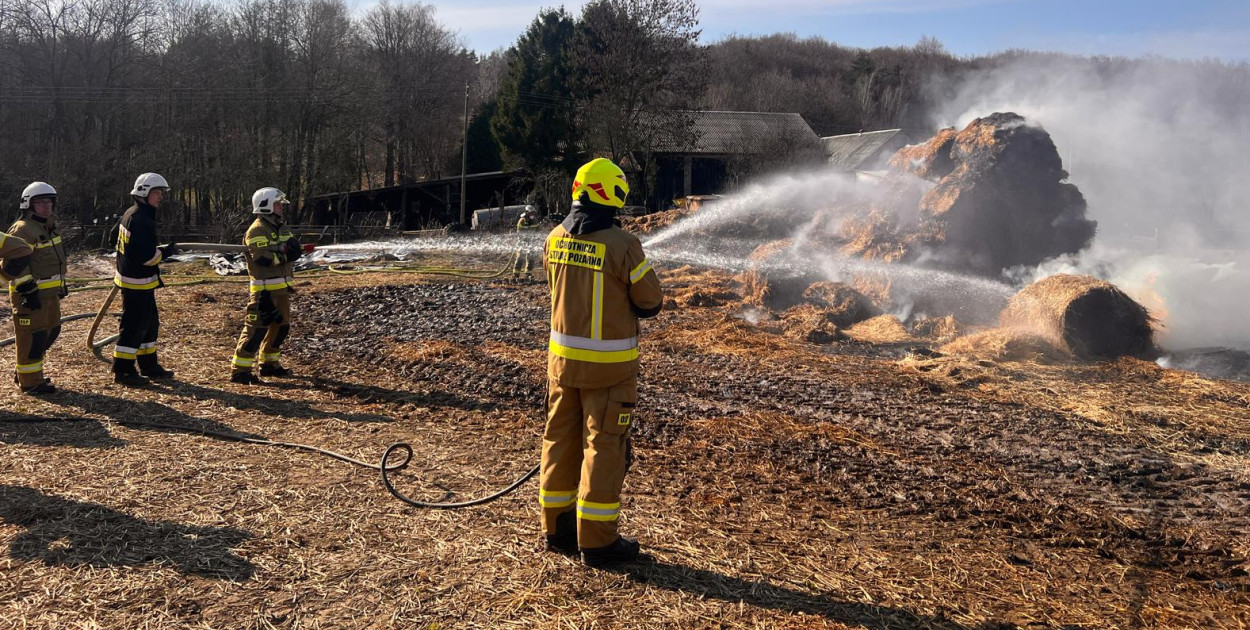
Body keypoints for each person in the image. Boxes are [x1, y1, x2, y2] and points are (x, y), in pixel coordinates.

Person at [539, 158, 663, 567]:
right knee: (603, 448)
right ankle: (596, 540)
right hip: (609, 373)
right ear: (614, 195)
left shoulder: (554, 238)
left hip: (561, 368)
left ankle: (556, 529)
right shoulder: (623, 245)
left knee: (559, 440)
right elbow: (650, 302)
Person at [229, 187, 308, 384]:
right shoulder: (257, 230)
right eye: (277, 204)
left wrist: (292, 250)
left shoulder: (281, 227)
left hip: (281, 289)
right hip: (263, 291)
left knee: (281, 328)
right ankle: (240, 370)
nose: (281, 207)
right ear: (265, 206)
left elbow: (293, 247)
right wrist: (285, 255)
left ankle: (269, 364)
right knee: (256, 330)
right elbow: (262, 258)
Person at [112, 173, 177, 387]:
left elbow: (115, 237)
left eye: (161, 193)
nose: (160, 197)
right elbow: (147, 257)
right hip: (136, 283)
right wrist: (165, 253)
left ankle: (149, 365)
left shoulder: (131, 214)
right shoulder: (141, 220)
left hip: (138, 281)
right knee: (133, 326)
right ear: (144, 193)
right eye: (157, 193)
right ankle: (123, 371)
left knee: (149, 325)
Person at [7, 183, 68, 395]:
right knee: (33, 337)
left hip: (50, 294)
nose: (46, 206)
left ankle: (25, 373)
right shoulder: (23, 229)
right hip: (30, 296)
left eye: (49, 201)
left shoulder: (50, 226)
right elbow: (16, 262)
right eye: (40, 202)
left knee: (52, 330)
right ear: (28, 205)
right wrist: (28, 289)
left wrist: (61, 284)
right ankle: (30, 382)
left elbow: (55, 260)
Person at [512, 207, 541, 279]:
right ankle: (516, 274)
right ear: (527, 213)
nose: (532, 215)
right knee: (520, 257)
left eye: (533, 213)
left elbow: (538, 231)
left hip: (532, 242)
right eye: (531, 213)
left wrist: (536, 238)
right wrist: (526, 240)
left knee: (531, 257)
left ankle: (528, 273)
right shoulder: (521, 221)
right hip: (522, 242)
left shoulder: (535, 221)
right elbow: (519, 233)